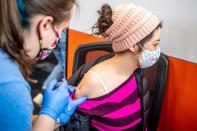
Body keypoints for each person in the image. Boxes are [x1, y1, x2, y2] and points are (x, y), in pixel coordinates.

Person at [0, 0, 87, 131]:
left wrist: (52, 117)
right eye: (62, 30)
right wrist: (49, 113)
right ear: (45, 25)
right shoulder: (11, 88)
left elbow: (13, 122)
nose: (57, 40)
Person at [73, 3, 162, 130]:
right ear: (134, 46)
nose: (158, 50)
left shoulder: (136, 71)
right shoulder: (94, 82)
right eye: (155, 44)